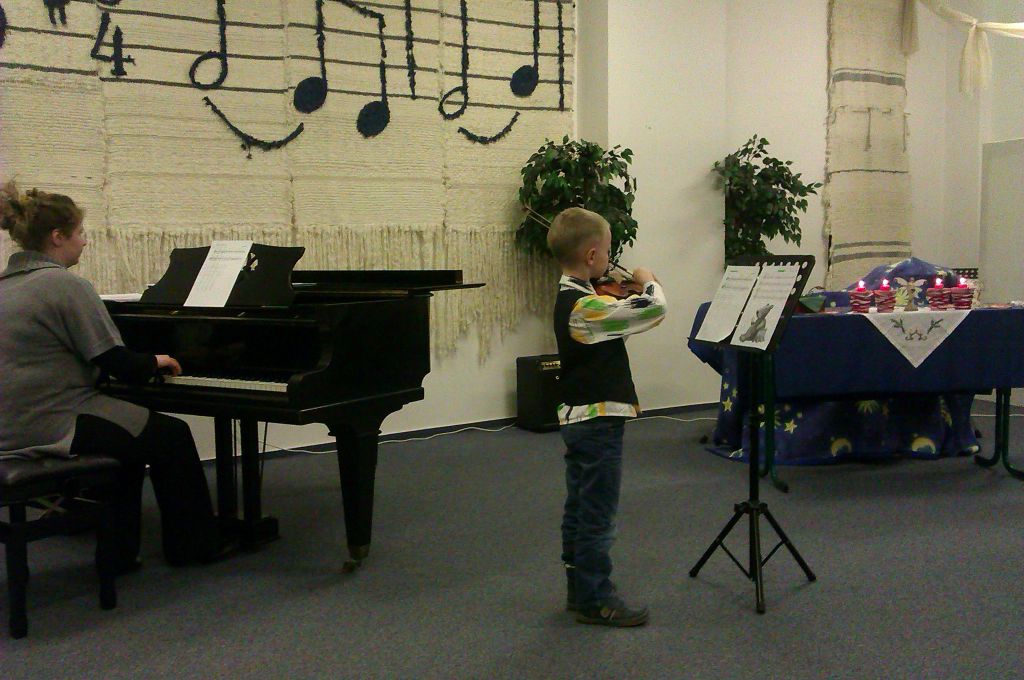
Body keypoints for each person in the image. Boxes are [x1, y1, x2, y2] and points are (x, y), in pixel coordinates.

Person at [0, 180, 228, 571]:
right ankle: (192, 548)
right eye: (80, 232)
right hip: (53, 421)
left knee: (128, 439)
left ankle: (120, 551)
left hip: (11, 423)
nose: (85, 241)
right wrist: (156, 361)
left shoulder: (7, 286)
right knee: (172, 436)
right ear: (57, 237)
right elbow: (114, 359)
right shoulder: (64, 284)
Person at [548, 206, 667, 627]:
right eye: (609, 251)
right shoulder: (586, 307)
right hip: (597, 423)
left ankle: (579, 591)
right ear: (592, 255)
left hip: (581, 421)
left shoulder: (580, 298)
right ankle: (597, 599)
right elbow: (653, 309)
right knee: (597, 515)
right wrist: (648, 280)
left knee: (580, 507)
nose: (612, 260)